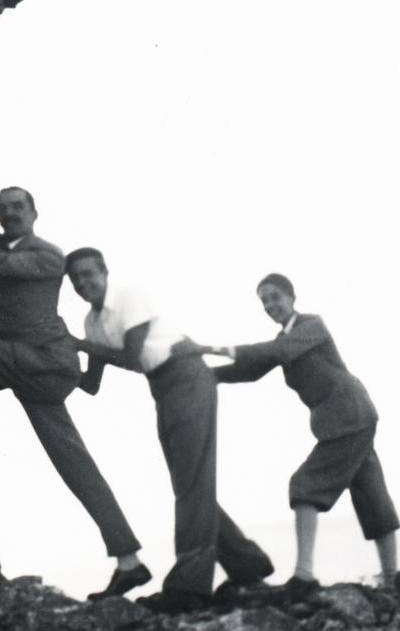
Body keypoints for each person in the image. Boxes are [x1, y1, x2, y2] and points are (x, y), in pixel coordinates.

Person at [0, 183, 151, 600]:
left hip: (48, 363)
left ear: (34, 212)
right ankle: (129, 562)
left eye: (17, 206)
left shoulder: (47, 255)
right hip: (23, 365)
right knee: (76, 466)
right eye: (3, 208)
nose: (10, 213)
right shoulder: (8, 246)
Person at [64, 247, 273, 609]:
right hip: (161, 387)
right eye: (75, 279)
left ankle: (189, 588)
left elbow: (131, 358)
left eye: (88, 274)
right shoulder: (91, 322)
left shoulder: (129, 297)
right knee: (188, 484)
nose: (83, 283)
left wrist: (79, 345)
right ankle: (247, 566)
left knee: (191, 483)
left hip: (187, 376)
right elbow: (91, 384)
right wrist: (55, 354)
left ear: (104, 272)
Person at [199, 273, 400, 592]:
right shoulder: (284, 338)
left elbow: (274, 352)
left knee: (305, 485)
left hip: (348, 417)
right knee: (371, 492)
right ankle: (392, 581)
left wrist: (209, 348)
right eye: (264, 301)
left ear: (292, 297)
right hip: (351, 418)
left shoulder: (311, 326)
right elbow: (251, 369)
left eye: (275, 297)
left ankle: (304, 574)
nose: (270, 305)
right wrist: (201, 374)